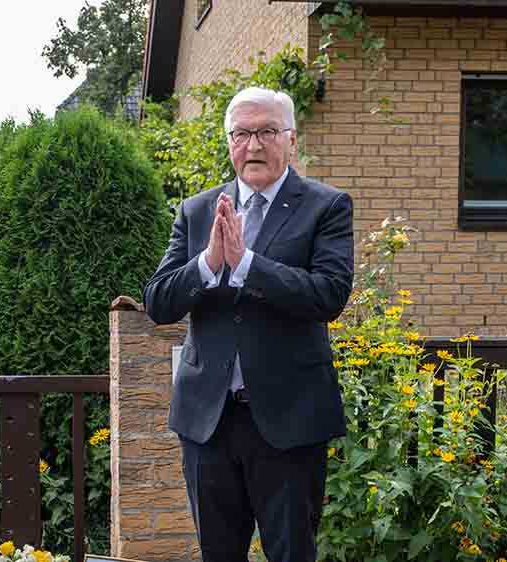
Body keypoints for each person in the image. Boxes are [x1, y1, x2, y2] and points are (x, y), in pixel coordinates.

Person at [143, 86, 354, 562]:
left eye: (266, 132)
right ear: (229, 141)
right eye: (242, 133)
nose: (253, 146)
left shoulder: (326, 206)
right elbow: (157, 302)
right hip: (208, 425)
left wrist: (246, 264)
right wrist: (208, 262)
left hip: (289, 420)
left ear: (291, 140)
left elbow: (329, 295)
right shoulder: (198, 210)